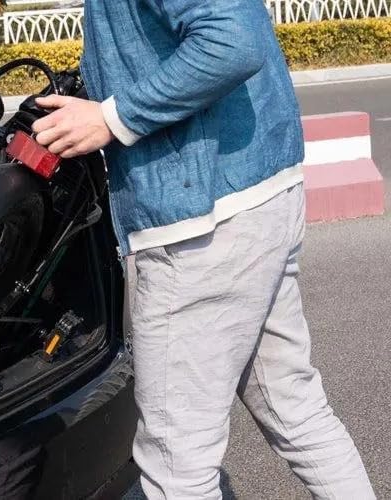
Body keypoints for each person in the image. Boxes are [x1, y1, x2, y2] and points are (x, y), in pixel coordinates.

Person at [31, 1, 375, 498]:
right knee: (296, 410)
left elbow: (234, 40)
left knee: (178, 468)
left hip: (201, 225)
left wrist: (113, 117)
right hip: (259, 196)